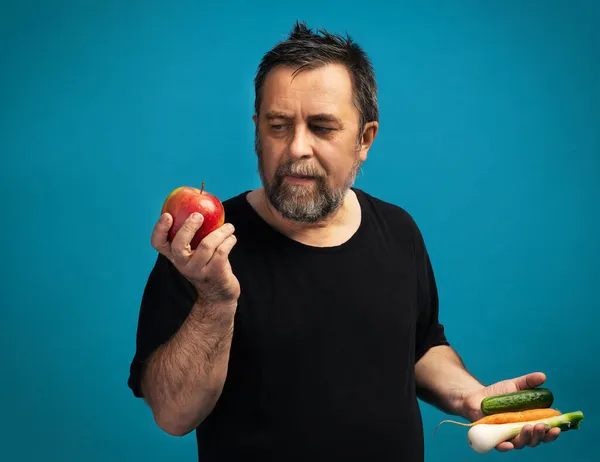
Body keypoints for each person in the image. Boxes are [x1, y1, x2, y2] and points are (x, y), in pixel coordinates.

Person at [127, 21, 560, 461]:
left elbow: (419, 345)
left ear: (364, 139)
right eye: (279, 125)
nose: (297, 147)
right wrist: (216, 301)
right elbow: (173, 416)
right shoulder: (203, 251)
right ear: (257, 130)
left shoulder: (398, 230)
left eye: (322, 127)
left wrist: (472, 398)